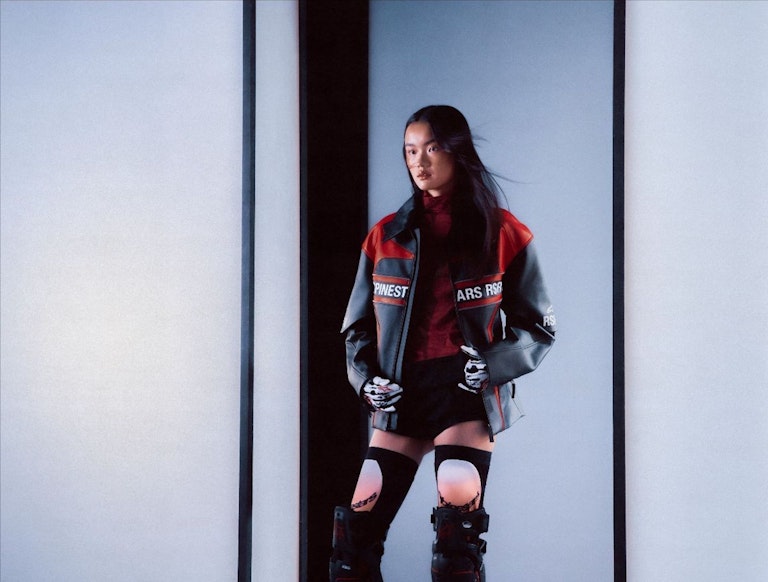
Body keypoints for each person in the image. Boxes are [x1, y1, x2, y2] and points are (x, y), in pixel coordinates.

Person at [329, 105, 556, 582]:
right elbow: (356, 329)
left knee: (456, 552)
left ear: (458, 151)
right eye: (410, 151)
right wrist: (366, 382)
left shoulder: (503, 232)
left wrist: (492, 365)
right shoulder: (384, 237)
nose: (420, 161)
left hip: (462, 397)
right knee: (353, 547)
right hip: (401, 397)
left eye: (431, 148)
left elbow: (538, 326)